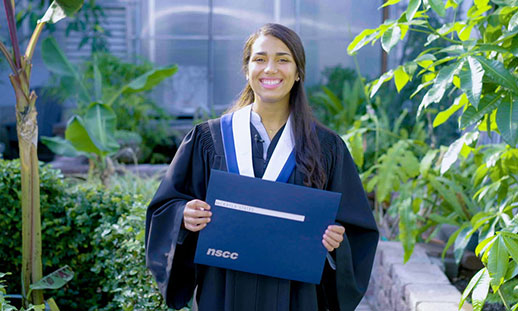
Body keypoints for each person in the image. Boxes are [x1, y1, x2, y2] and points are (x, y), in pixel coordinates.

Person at [145, 23, 378, 311]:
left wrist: (337, 243)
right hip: (224, 291)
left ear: (298, 72)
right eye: (259, 59)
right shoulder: (209, 140)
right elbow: (164, 206)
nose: (270, 69)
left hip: (297, 297)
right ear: (246, 69)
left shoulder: (326, 147)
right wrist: (183, 215)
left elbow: (356, 229)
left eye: (283, 59)